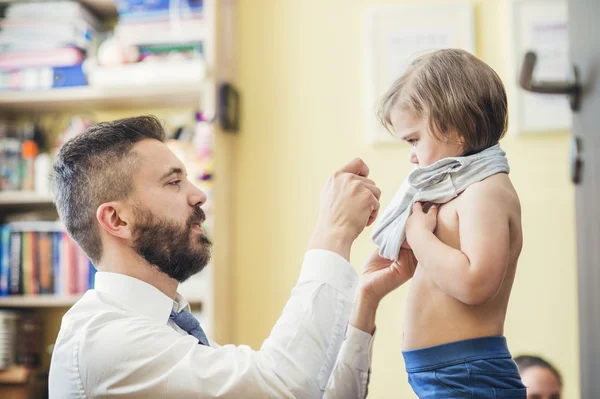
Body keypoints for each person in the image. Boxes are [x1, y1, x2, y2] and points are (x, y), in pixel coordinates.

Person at [47, 115, 416, 398]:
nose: (198, 195)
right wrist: (332, 232)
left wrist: (363, 300)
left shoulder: (167, 331)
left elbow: (308, 391)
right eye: (174, 182)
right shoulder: (108, 343)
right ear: (117, 219)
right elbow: (284, 386)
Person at [371, 49, 526, 398]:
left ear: (454, 126)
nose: (411, 154)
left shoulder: (486, 190)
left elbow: (475, 284)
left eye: (414, 139)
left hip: (469, 374)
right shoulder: (459, 189)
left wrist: (417, 233)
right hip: (449, 372)